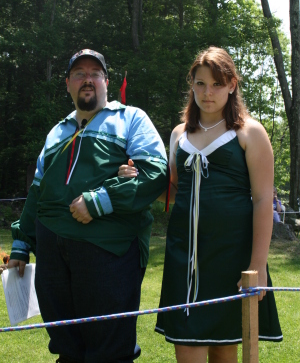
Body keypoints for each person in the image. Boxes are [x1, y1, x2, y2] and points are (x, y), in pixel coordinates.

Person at [119, 47, 282, 363]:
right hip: (185, 258)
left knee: (224, 348)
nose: (208, 93)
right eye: (201, 83)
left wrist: (258, 266)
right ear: (191, 84)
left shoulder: (250, 132)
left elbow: (263, 200)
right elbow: (176, 190)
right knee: (188, 344)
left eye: (218, 84)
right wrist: (136, 177)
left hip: (232, 258)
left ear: (232, 84)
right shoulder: (179, 133)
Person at [8, 49, 168, 363]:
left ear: (106, 82)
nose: (88, 79)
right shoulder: (57, 131)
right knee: (67, 348)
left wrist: (100, 201)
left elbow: (156, 174)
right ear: (67, 83)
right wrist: (20, 242)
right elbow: (38, 192)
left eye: (95, 73)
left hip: (108, 249)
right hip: (52, 252)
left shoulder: (131, 119)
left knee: (109, 350)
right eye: (79, 73)